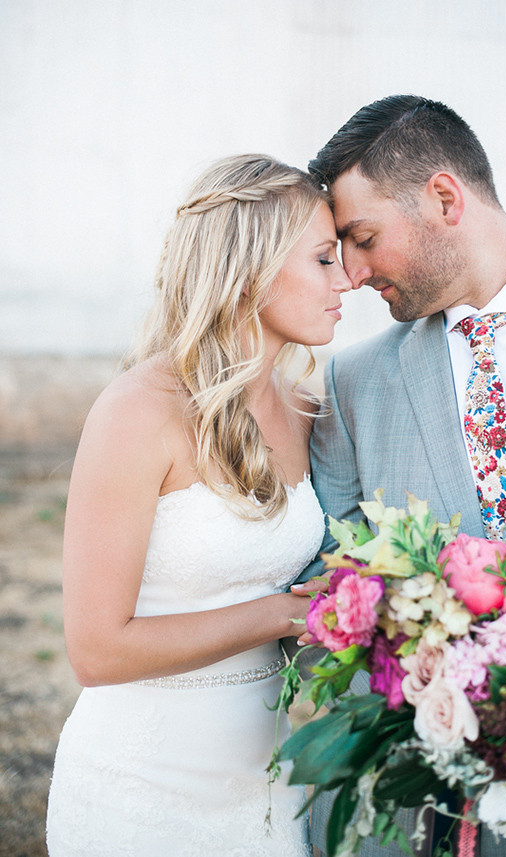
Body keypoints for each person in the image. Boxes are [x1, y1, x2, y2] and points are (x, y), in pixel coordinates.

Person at [46, 153, 351, 857]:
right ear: (252, 269)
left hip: (268, 786)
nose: (346, 282)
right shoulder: (137, 411)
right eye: (324, 260)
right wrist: (279, 614)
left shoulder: (306, 407)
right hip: (141, 793)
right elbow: (95, 648)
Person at [291, 96, 506, 857]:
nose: (350, 272)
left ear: (445, 198)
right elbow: (329, 583)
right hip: (407, 813)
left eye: (363, 237)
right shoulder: (352, 382)